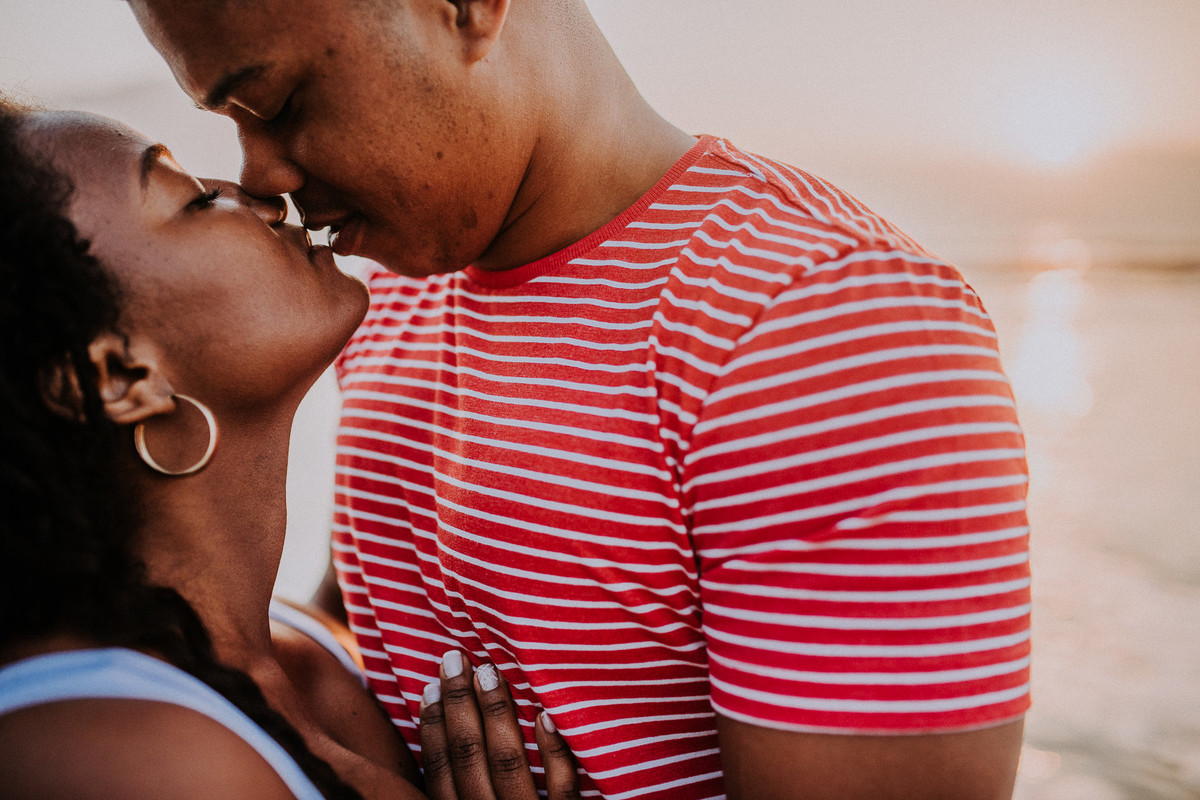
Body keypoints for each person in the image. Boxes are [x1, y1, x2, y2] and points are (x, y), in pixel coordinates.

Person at [122, 1, 1033, 797]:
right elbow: (377, 635)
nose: (262, 173)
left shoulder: (820, 327)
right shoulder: (391, 291)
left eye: (277, 105)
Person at [0, 98, 579, 800]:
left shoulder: (303, 645)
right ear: (121, 378)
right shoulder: (130, 762)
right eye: (194, 199)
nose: (264, 198)